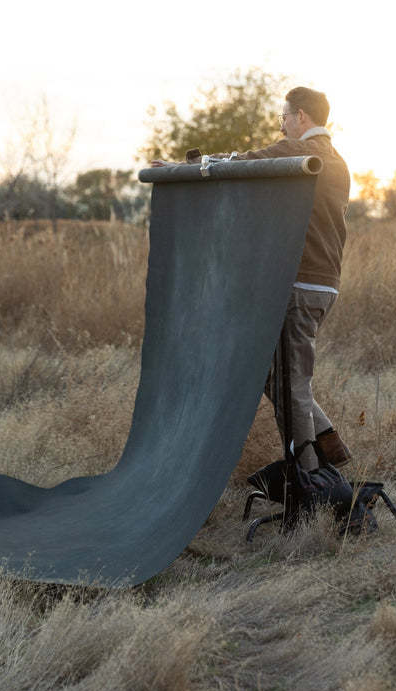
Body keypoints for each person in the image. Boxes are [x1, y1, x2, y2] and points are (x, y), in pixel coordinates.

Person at [152, 87, 351, 472]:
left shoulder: (295, 151)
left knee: (291, 382)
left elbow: (236, 163)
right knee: (264, 367)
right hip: (324, 284)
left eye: (284, 119)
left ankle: (309, 478)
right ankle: (329, 442)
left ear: (302, 118)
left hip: (300, 285)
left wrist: (178, 170)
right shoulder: (339, 161)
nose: (282, 127)